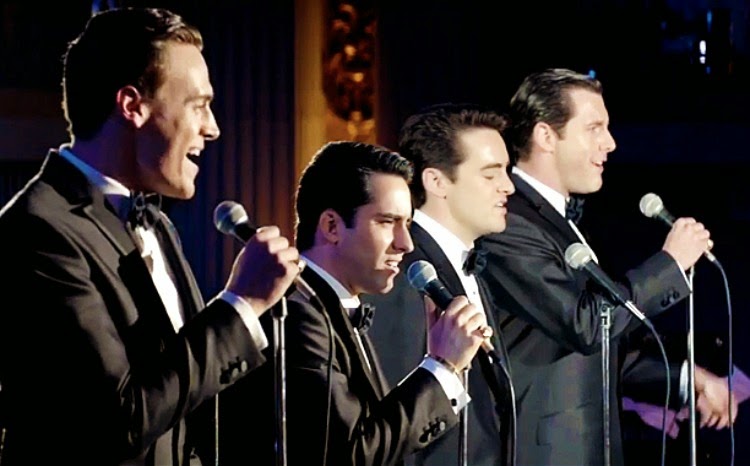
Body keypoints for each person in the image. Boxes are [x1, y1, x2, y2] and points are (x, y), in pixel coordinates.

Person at [0, 8, 301, 466]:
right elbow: (117, 422)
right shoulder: (38, 228)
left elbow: (187, 399)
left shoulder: (158, 224)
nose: (213, 127)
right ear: (132, 106)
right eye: (198, 105)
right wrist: (241, 304)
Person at [477, 67, 735, 466]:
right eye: (594, 128)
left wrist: (688, 379)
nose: (610, 143)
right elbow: (584, 324)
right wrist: (669, 264)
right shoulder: (509, 221)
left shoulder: (558, 219)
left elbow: (601, 346)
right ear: (546, 136)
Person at [219, 140, 490, 466]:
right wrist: (442, 366)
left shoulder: (334, 307)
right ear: (332, 226)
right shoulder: (295, 313)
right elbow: (351, 453)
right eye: (387, 222)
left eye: (407, 224)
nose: (405, 244)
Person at [365, 103, 516, 466]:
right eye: (491, 174)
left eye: (506, 171)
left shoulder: (474, 269)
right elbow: (395, 424)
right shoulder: (401, 275)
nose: (508, 186)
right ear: (436, 182)